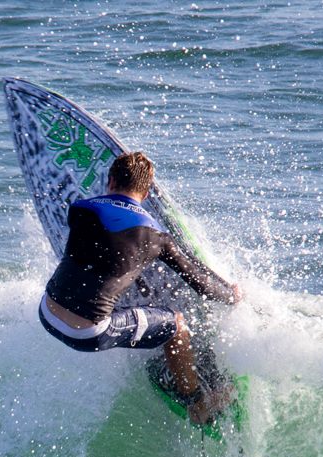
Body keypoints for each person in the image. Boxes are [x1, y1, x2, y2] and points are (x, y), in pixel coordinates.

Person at [38, 151, 242, 424]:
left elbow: (104, 251)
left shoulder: (80, 209)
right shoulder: (155, 236)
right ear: (146, 194)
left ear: (111, 181)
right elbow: (201, 284)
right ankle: (196, 403)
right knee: (176, 324)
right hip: (87, 334)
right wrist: (232, 295)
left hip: (47, 313)